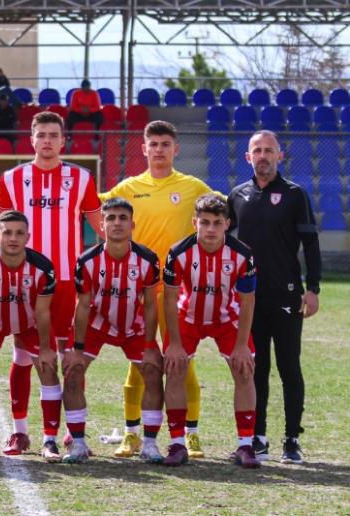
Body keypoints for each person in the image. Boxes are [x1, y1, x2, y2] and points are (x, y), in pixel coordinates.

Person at [0, 111, 102, 456]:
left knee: (64, 357)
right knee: (23, 357)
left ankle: (70, 429)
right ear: (32, 139)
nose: (48, 141)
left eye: (54, 135)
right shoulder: (13, 178)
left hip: (67, 281)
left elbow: (102, 229)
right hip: (20, 281)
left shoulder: (81, 178)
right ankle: (21, 431)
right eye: (41, 135)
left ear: (63, 140)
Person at [98, 120, 213, 459]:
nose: (159, 149)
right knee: (139, 362)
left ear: (175, 149)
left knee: (182, 361)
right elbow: (95, 208)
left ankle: (190, 434)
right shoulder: (129, 187)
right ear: (144, 149)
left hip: (179, 290)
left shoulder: (193, 187)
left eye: (166, 143)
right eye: (154, 144)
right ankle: (132, 434)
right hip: (139, 291)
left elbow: (223, 209)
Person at [228, 130, 321, 464]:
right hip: (249, 298)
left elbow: (311, 244)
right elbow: (224, 243)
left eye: (269, 150)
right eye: (257, 150)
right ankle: (258, 437)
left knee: (288, 367)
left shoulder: (295, 195)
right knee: (255, 369)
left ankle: (292, 439)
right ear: (247, 157)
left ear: (280, 156)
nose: (263, 156)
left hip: (286, 295)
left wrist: (313, 288)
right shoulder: (237, 195)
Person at [62, 198, 164, 464]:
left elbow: (151, 304)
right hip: (97, 322)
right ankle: (79, 443)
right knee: (72, 370)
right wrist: (78, 349)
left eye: (122, 218)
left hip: (134, 324)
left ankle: (150, 444)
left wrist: (151, 345)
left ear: (132, 224)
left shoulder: (148, 259)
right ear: (102, 225)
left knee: (153, 370)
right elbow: (83, 306)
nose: (116, 223)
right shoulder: (87, 260)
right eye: (110, 218)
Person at [162, 194, 259, 468]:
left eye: (217, 223)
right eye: (204, 222)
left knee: (244, 368)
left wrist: (241, 346)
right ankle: (178, 442)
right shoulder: (178, 252)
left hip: (227, 318)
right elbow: (169, 299)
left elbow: (248, 300)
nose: (211, 229)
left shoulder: (243, 254)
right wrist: (175, 344)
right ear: (194, 223)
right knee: (176, 367)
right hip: (188, 316)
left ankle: (245, 445)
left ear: (227, 224)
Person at [0, 210, 61, 462]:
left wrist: (45, 349)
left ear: (28, 237)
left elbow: (42, 312)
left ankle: (50, 440)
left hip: (30, 322)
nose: (13, 238)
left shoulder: (43, 266)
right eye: (7, 232)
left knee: (48, 368)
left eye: (19, 233)